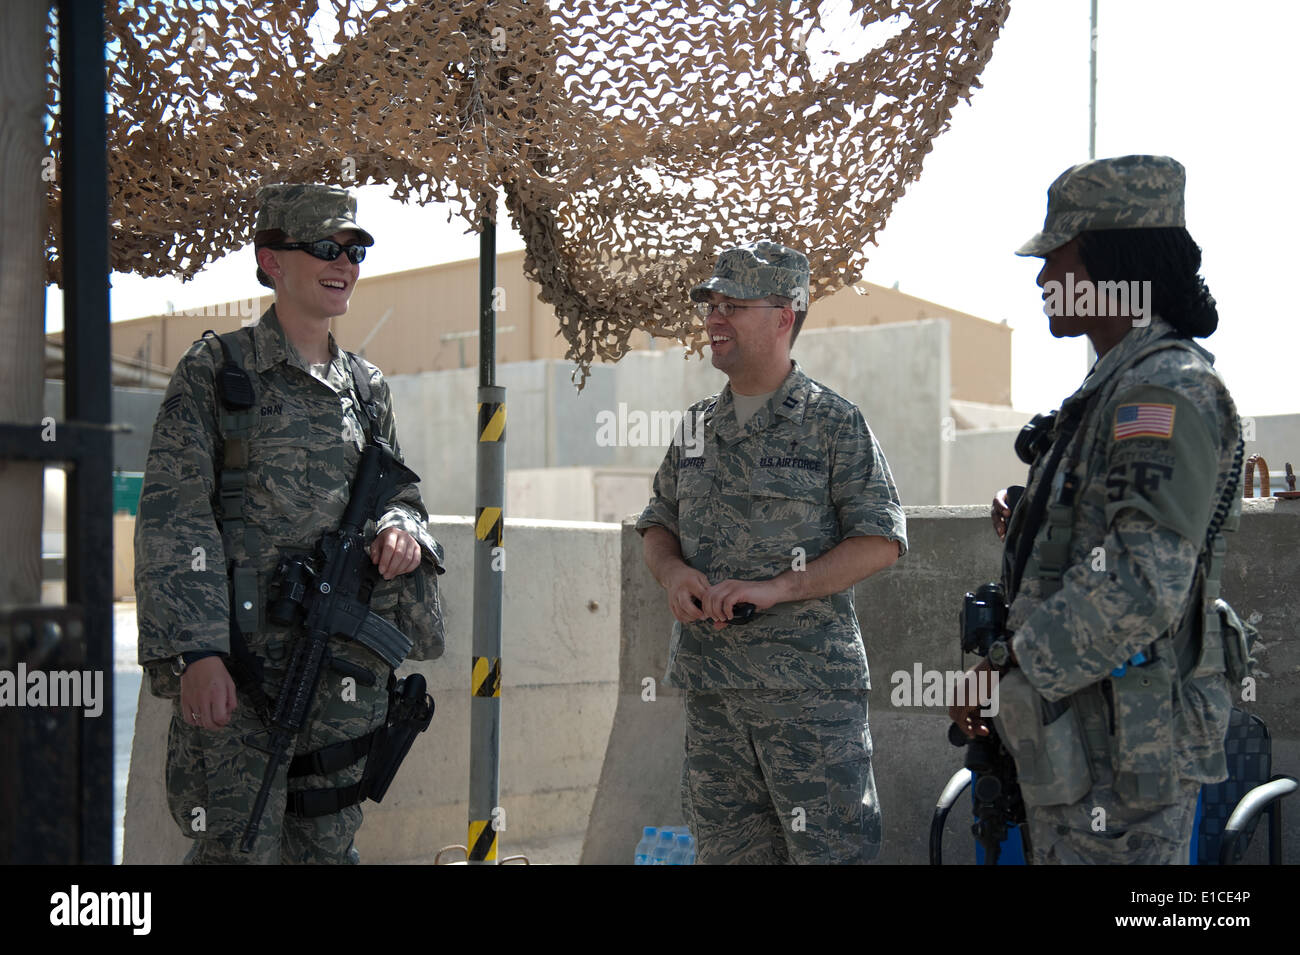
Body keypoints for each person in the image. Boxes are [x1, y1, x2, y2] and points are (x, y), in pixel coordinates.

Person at [135, 183, 445, 864]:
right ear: (271, 259)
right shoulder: (217, 372)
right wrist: (197, 652)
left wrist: (400, 531)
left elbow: (404, 495)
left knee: (328, 844)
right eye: (326, 247)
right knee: (238, 846)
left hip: (341, 670)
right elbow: (173, 517)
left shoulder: (368, 388)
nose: (345, 263)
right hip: (240, 669)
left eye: (356, 249)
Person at [951, 155, 1247, 864]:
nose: (1042, 278)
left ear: (1117, 263)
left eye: (1059, 257)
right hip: (1083, 750)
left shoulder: (1163, 391)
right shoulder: (1117, 388)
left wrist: (1011, 664)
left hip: (1121, 767)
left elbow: (1142, 583)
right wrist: (1034, 512)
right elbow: (1114, 523)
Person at [636, 240, 907, 864]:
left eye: (732, 305)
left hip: (809, 701)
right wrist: (674, 573)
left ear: (784, 316)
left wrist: (777, 589)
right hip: (714, 699)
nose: (713, 319)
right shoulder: (697, 428)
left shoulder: (834, 422)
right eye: (710, 304)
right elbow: (657, 524)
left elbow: (881, 540)